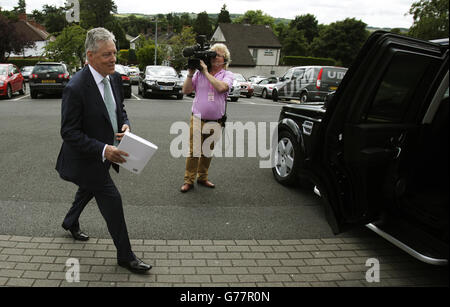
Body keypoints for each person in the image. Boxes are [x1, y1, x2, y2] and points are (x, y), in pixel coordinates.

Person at [55, 27, 151, 274]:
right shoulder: (76, 87)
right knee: (112, 200)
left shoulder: (115, 78)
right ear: (90, 56)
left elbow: (120, 109)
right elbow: (69, 132)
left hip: (105, 155)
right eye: (107, 55)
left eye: (115, 53)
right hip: (87, 158)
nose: (114, 59)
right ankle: (125, 256)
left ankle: (69, 222)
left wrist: (125, 125)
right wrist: (104, 149)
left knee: (86, 191)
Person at [180, 43, 234, 193]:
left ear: (225, 59)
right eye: (213, 53)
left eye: (218, 54)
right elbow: (186, 90)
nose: (215, 56)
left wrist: (205, 71)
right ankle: (188, 180)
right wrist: (191, 73)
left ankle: (202, 177)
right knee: (194, 152)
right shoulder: (199, 74)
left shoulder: (227, 75)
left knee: (207, 152)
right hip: (197, 118)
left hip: (216, 121)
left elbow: (221, 88)